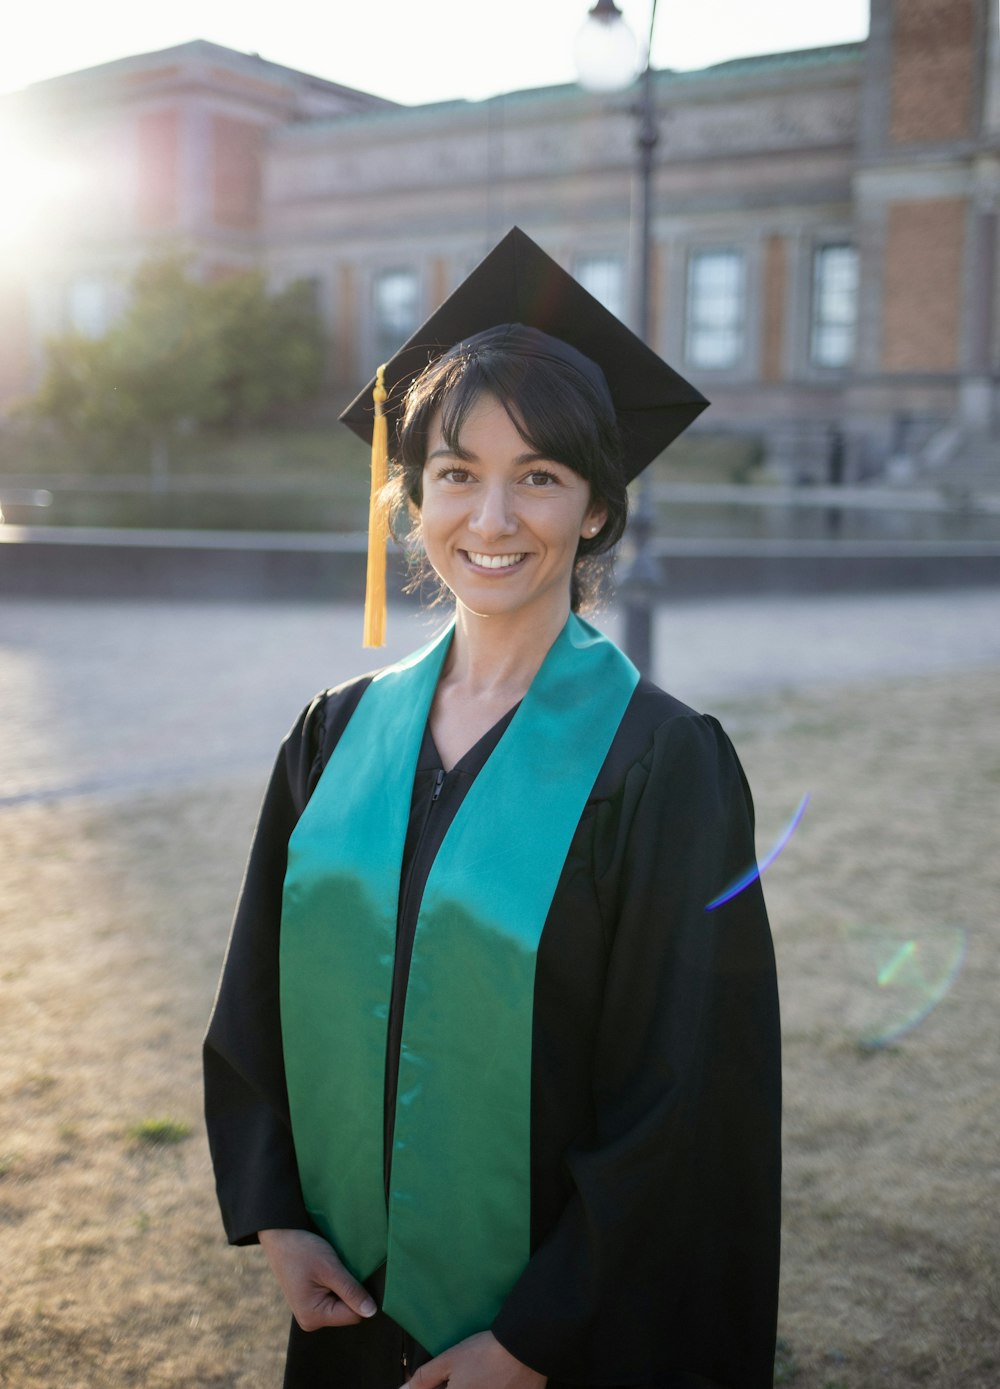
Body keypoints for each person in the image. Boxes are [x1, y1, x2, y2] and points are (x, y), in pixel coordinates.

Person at [203, 228, 781, 1389]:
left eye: (541, 476)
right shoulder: (334, 732)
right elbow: (257, 987)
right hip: (348, 1307)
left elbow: (684, 1093)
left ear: (597, 512)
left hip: (560, 1338)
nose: (492, 518)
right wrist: (280, 1215)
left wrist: (534, 1339)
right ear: (412, 498)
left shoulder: (661, 765)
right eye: (456, 472)